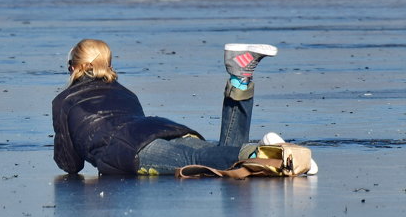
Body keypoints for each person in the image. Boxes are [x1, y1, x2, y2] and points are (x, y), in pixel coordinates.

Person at [52, 39, 310, 176]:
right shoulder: (125, 92)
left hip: (130, 151)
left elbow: (71, 164)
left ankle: (269, 154)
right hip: (163, 129)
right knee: (215, 154)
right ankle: (240, 79)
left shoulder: (64, 101)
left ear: (74, 67)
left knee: (199, 159)